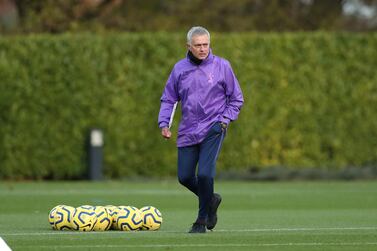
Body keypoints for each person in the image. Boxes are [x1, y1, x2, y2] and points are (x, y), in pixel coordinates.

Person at [158, 26, 244, 233]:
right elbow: (169, 99)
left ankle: (201, 221)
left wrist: (224, 120)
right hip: (188, 130)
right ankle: (211, 199)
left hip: (214, 128)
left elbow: (236, 99)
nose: (203, 49)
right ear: (188, 46)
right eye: (198, 45)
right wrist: (164, 124)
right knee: (185, 177)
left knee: (205, 174)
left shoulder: (222, 66)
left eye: (206, 44)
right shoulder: (179, 69)